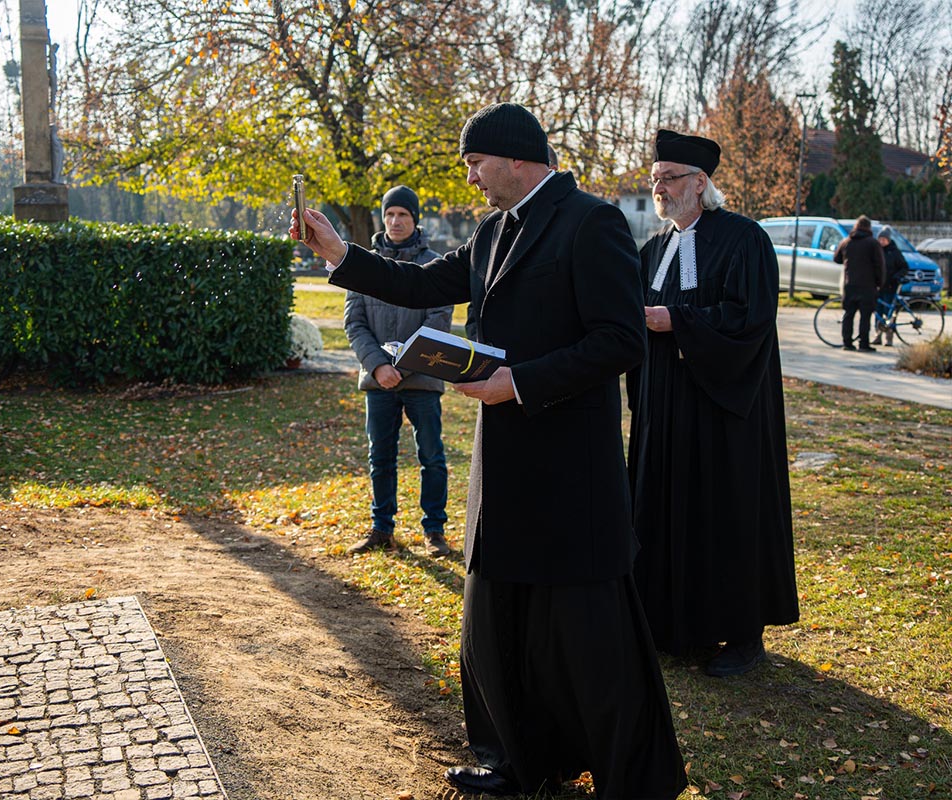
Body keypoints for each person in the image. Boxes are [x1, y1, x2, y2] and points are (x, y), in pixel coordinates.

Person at [292, 103, 685, 800]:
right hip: (503, 463)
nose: (470, 177)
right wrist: (338, 253)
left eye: (476, 162)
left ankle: (633, 778)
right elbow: (418, 285)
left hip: (571, 469)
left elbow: (620, 340)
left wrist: (520, 383)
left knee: (587, 636)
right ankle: (513, 761)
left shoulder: (592, 223)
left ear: (517, 158)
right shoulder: (491, 231)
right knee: (496, 621)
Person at [626, 129, 799, 678]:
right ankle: (674, 626)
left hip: (723, 410)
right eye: (654, 179)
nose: (660, 188)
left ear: (701, 183)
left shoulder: (745, 240)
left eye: (669, 179)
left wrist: (677, 320)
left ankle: (744, 638)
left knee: (724, 514)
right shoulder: (652, 249)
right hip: (663, 406)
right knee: (664, 508)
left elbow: (751, 321)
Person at [344, 186, 453, 557]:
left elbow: (438, 323)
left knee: (432, 456)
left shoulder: (434, 264)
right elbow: (354, 323)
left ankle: (435, 531)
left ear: (415, 219)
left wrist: (402, 368)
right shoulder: (363, 265)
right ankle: (381, 528)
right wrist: (377, 366)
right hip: (377, 381)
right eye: (390, 214)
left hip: (421, 378)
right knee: (381, 457)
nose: (395, 221)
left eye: (403, 215)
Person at [833, 215, 885, 352]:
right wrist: (880, 282)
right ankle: (863, 343)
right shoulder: (872, 243)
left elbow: (836, 258)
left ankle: (847, 342)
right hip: (868, 285)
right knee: (865, 316)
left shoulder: (847, 242)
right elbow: (879, 265)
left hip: (849, 284)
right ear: (869, 227)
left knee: (848, 314)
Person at [871, 225, 909, 346]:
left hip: (890, 286)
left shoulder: (894, 252)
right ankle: (878, 335)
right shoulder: (876, 251)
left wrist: (897, 276)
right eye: (880, 239)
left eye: (884, 239)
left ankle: (889, 337)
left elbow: (904, 267)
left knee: (888, 312)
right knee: (878, 311)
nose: (882, 241)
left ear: (888, 240)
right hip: (878, 286)